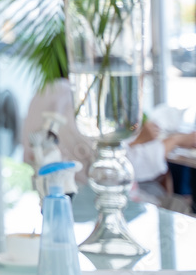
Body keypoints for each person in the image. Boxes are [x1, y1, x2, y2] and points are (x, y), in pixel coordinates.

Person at [22, 77, 196, 193]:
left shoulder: (47, 90)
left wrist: (138, 139)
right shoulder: (74, 100)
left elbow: (92, 150)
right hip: (84, 194)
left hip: (52, 188)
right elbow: (118, 166)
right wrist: (177, 140)